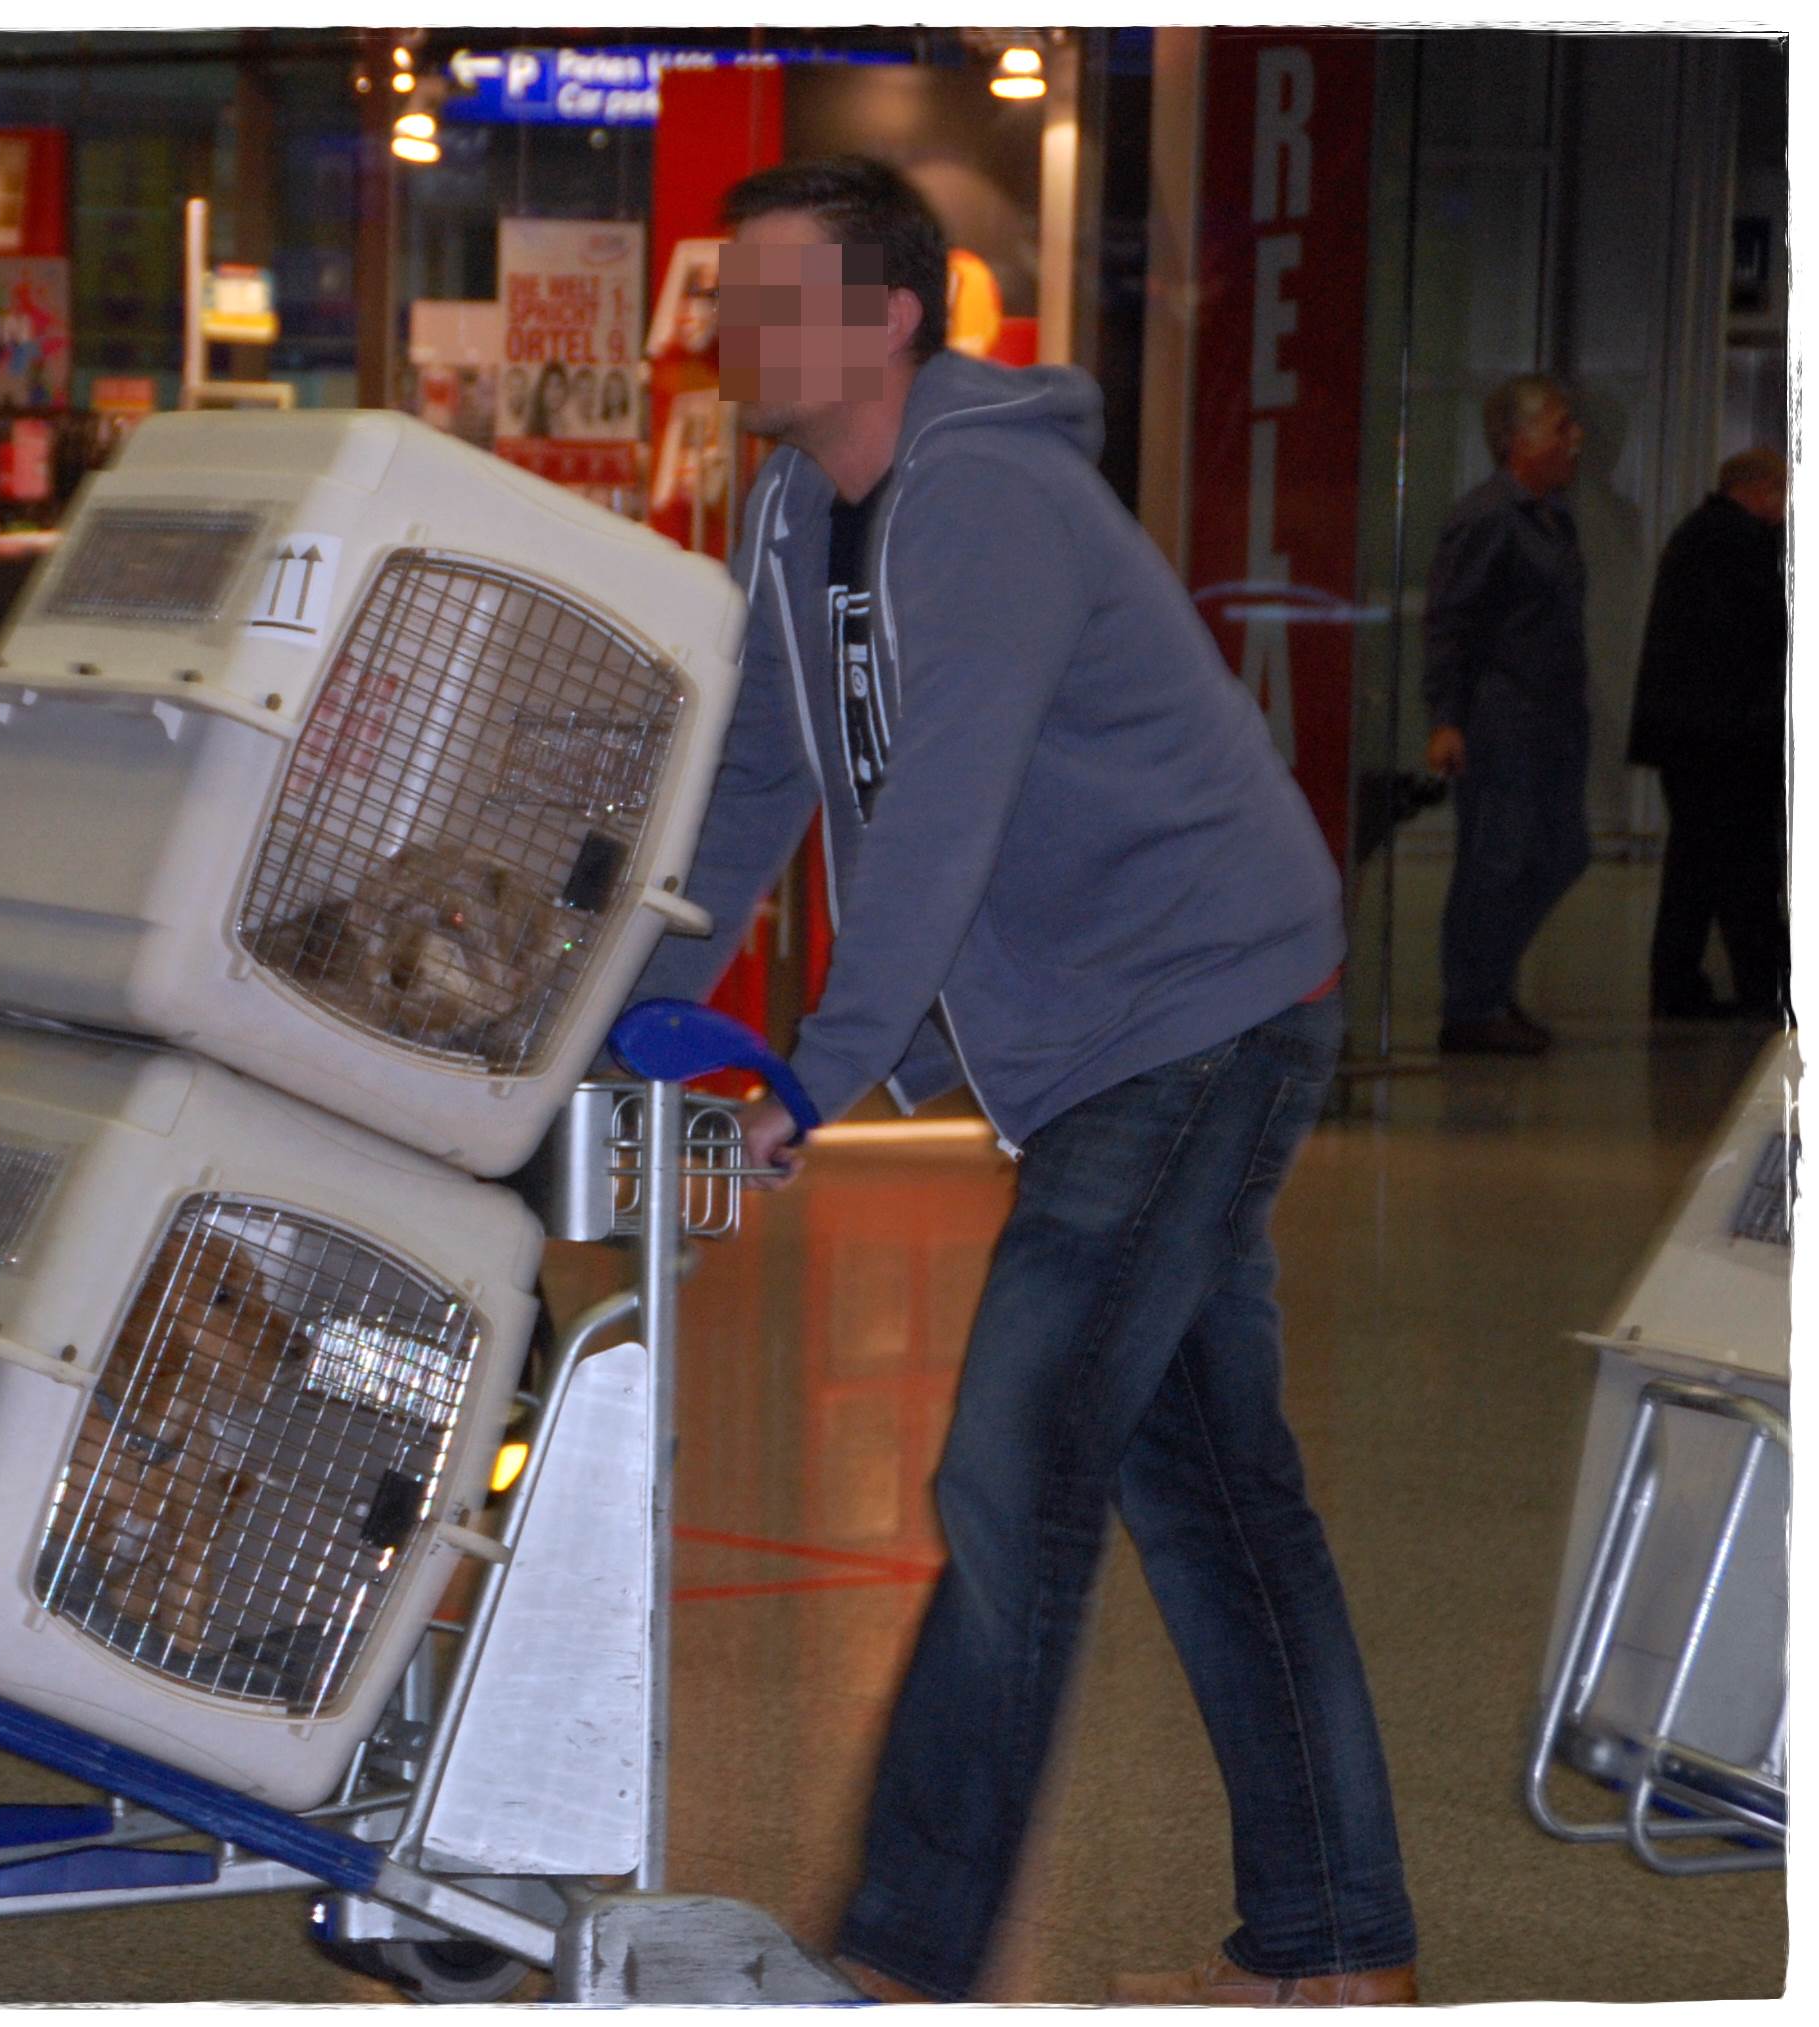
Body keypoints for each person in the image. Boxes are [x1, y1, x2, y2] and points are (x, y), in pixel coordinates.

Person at [629, 156, 1417, 2005]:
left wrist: (825, 1074)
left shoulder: (990, 499)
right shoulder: (787, 510)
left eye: (774, 297)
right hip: (1098, 1033)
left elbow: (940, 823)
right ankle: (1342, 1949)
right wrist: (625, 1023)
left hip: (1200, 1007)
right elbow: (754, 789)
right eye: (731, 295)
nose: (734, 328)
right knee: (1214, 1493)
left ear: (889, 317)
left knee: (1011, 1468)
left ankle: (905, 1953)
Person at [1421, 374, 1592, 1054]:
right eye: (1560, 426)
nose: (1575, 438)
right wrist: (1445, 718)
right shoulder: (1487, 517)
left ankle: (1487, 984)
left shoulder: (1551, 515)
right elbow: (1450, 622)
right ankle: (1471, 1005)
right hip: (1503, 721)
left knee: (1560, 852)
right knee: (1496, 860)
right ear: (1518, 440)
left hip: (1552, 719)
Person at [1625, 446, 1788, 1020]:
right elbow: (1769, 631)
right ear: (1761, 489)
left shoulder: (1701, 536)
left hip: (1693, 734)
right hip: (1726, 737)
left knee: (1697, 861)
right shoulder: (1738, 544)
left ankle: (1680, 983)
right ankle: (1762, 985)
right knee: (1742, 863)